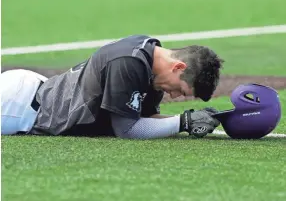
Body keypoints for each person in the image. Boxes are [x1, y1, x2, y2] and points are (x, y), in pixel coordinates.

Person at [1, 35, 224, 139]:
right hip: (18, 108)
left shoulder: (151, 62)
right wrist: (183, 122)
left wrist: (193, 118)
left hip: (32, 92)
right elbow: (128, 129)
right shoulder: (129, 63)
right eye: (181, 90)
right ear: (178, 67)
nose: (174, 96)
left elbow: (143, 119)